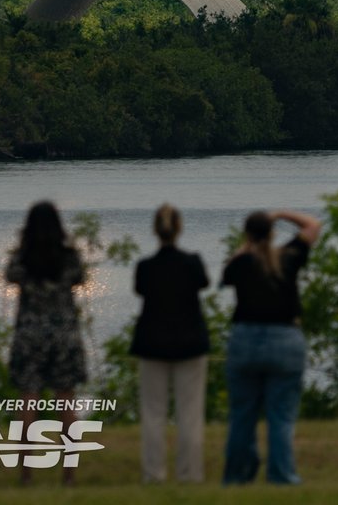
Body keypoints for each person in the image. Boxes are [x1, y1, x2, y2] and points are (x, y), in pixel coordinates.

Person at [221, 208, 321, 485]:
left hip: (246, 339)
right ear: (272, 233)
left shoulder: (241, 262)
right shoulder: (288, 256)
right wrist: (280, 214)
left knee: (242, 415)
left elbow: (228, 272)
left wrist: (248, 243)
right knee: (281, 418)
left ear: (247, 235)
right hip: (285, 339)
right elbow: (313, 224)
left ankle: (237, 477)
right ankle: (282, 476)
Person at [5, 201, 87, 486]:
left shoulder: (23, 258)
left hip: (30, 335)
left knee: (28, 401)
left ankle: (26, 474)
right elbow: (79, 277)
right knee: (66, 401)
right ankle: (69, 475)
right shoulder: (68, 257)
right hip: (63, 334)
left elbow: (10, 276)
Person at [129, 204, 210, 484]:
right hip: (190, 343)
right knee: (190, 413)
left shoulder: (145, 267)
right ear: (179, 229)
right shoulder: (193, 263)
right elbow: (203, 283)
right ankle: (190, 475)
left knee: (153, 413)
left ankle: (153, 474)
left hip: (152, 343)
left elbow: (140, 290)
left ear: (155, 230)